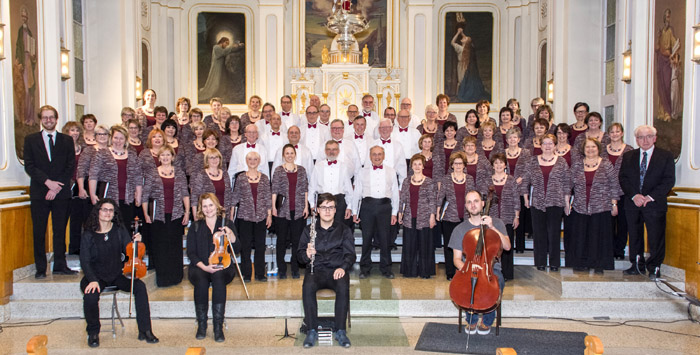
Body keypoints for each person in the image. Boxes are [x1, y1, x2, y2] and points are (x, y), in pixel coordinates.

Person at [80, 199, 158, 347]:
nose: (107, 213)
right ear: (98, 211)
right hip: (96, 276)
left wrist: (137, 243)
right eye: (104, 209)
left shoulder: (119, 229)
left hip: (117, 274)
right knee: (90, 296)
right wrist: (92, 280)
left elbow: (130, 252)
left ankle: (145, 330)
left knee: (140, 288)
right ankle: (93, 332)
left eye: (111, 210)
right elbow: (85, 261)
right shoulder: (88, 234)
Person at [24, 105, 77, 278]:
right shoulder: (31, 140)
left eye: (51, 117)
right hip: (40, 193)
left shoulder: (67, 140)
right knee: (39, 231)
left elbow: (70, 165)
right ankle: (40, 268)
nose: (48, 120)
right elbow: (30, 166)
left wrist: (57, 186)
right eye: (45, 117)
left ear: (56, 119)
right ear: (41, 119)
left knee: (60, 230)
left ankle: (60, 265)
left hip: (61, 194)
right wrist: (48, 183)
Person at [449, 190, 511, 335]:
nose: (473, 205)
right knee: (465, 281)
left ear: (483, 203)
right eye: (469, 202)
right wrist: (468, 269)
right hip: (469, 267)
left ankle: (488, 320)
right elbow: (456, 259)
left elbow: (507, 246)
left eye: (476, 201)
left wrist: (492, 228)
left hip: (491, 269)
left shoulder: (497, 223)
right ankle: (471, 318)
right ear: (466, 206)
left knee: (497, 280)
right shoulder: (460, 229)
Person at [298, 193, 355, 348]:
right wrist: (306, 255)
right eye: (324, 207)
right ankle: (311, 330)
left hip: (336, 270)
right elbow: (299, 256)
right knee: (308, 286)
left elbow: (350, 254)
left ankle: (341, 331)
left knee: (343, 286)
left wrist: (343, 268)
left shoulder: (344, 230)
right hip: (316, 270)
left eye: (331, 207)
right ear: (317, 210)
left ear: (336, 210)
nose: (327, 211)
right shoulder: (308, 230)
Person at [619, 125, 675, 278]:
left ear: (655, 138)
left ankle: (655, 266)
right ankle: (637, 264)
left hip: (655, 204)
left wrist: (650, 197)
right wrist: (634, 195)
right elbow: (623, 178)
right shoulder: (628, 156)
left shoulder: (666, 156)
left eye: (649, 136)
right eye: (641, 137)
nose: (645, 140)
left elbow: (669, 180)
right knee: (635, 235)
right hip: (633, 203)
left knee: (656, 236)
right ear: (636, 140)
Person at [186, 193, 240, 342]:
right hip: (200, 266)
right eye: (205, 206)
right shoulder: (196, 226)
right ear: (201, 209)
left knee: (218, 277)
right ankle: (202, 325)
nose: (208, 209)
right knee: (201, 281)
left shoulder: (227, 224)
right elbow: (191, 252)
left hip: (223, 266)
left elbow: (238, 248)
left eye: (211, 205)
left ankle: (218, 327)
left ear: (216, 206)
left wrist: (231, 235)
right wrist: (204, 266)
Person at [569, 138, 621, 274]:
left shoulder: (606, 165)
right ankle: (582, 263)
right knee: (581, 236)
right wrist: (566, 202)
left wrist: (614, 204)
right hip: (580, 206)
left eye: (593, 147)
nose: (590, 149)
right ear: (583, 149)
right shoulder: (577, 165)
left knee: (599, 236)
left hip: (601, 206)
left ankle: (599, 263)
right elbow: (568, 185)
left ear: (598, 148)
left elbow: (615, 185)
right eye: (587, 147)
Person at [142, 145, 190, 287]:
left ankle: (176, 277)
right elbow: (145, 195)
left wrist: (187, 212)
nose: (165, 158)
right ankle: (162, 278)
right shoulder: (152, 173)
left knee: (175, 246)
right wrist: (146, 214)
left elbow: (185, 194)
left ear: (172, 157)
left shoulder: (179, 173)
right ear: (159, 157)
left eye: (168, 155)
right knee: (160, 246)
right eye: (162, 155)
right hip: (158, 216)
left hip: (175, 214)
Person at [523, 134, 571, 272]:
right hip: (537, 202)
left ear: (555, 145)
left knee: (554, 233)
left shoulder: (561, 162)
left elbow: (567, 183)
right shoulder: (532, 161)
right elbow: (526, 180)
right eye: (545, 143)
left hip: (556, 202)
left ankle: (555, 263)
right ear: (540, 145)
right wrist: (526, 198)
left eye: (550, 143)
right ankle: (540, 262)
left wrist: (567, 202)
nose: (548, 146)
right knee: (539, 233)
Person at [353, 146, 399, 279]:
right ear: (370, 156)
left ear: (383, 156)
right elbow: (357, 193)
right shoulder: (362, 172)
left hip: (385, 207)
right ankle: (365, 268)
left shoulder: (391, 171)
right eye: (374, 154)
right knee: (366, 239)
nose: (377, 157)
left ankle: (386, 268)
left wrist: (394, 212)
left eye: (379, 154)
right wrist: (355, 212)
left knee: (385, 239)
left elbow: (395, 193)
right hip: (367, 207)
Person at [231, 151, 272, 282]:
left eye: (255, 159)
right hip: (244, 216)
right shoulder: (241, 178)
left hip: (261, 216)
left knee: (260, 245)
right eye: (250, 159)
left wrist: (269, 215)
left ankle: (260, 274)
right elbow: (235, 197)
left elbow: (267, 198)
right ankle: (246, 274)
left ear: (259, 161)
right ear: (246, 161)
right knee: (245, 246)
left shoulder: (265, 178)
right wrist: (231, 214)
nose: (253, 161)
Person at [88, 125, 141, 223]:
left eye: (121, 138)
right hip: (107, 197)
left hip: (127, 198)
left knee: (125, 228)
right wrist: (92, 194)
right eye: (116, 138)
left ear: (126, 139)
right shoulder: (101, 154)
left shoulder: (132, 155)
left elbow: (138, 176)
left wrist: (138, 194)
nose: (118, 141)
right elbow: (93, 175)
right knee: (108, 227)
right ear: (111, 138)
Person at [271, 144, 310, 279]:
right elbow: (274, 190)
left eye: (291, 153)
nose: (289, 155)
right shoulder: (278, 170)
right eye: (287, 153)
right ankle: (282, 269)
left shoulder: (302, 170)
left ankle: (295, 269)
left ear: (295, 154)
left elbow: (305, 189)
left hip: (298, 210)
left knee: (297, 241)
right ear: (283, 155)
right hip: (282, 211)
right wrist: (273, 207)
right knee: (281, 240)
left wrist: (306, 206)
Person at [437, 152, 475, 281]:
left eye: (460, 163)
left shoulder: (469, 178)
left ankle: (465, 271)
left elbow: (473, 198)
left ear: (464, 165)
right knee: (450, 245)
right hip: (449, 217)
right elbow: (441, 196)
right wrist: (437, 211)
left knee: (466, 246)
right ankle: (450, 272)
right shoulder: (446, 179)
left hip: (465, 217)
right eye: (455, 163)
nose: (458, 165)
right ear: (452, 165)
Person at [398, 154, 437, 278]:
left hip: (424, 218)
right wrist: (400, 213)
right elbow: (402, 199)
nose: (417, 166)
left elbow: (432, 200)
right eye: (415, 164)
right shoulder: (406, 181)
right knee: (409, 244)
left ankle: (425, 271)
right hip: (409, 217)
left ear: (423, 166)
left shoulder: (429, 182)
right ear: (411, 166)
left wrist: (432, 216)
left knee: (425, 245)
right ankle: (410, 271)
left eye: (419, 164)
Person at [488, 153, 520, 281]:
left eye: (501, 163)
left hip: (507, 217)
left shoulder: (511, 180)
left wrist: (516, 216)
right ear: (493, 166)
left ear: (505, 165)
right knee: (493, 247)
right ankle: (493, 272)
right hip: (492, 219)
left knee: (507, 246)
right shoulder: (487, 180)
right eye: (496, 163)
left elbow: (516, 199)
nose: (498, 165)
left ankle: (507, 274)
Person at [604, 123, 633, 260]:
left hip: (624, 192)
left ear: (622, 133)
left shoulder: (629, 151)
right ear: (608, 134)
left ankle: (619, 250)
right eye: (612, 132)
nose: (615, 134)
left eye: (617, 131)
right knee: (607, 223)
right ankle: (609, 248)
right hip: (605, 192)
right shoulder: (602, 150)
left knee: (623, 223)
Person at [309, 140, 354, 225]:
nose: (331, 152)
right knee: (322, 229)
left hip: (339, 202)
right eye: (329, 149)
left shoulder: (343, 166)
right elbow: (312, 187)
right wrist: (312, 205)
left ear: (338, 151)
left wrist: (349, 207)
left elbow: (348, 189)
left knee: (338, 229)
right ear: (325, 151)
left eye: (334, 149)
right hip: (322, 201)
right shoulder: (318, 166)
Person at [504, 127, 531, 254]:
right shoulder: (502, 153)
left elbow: (529, 169)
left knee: (519, 218)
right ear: (506, 139)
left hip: (521, 189)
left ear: (519, 139)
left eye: (515, 137)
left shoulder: (525, 153)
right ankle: (507, 245)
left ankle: (520, 246)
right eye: (510, 137)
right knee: (508, 219)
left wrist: (521, 178)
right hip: (507, 190)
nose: (512, 139)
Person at [190, 149, 233, 221]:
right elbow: (194, 197)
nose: (214, 160)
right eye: (211, 158)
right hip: (207, 214)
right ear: (207, 160)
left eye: (216, 157)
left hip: (223, 214)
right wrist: (195, 216)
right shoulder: (202, 175)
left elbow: (229, 195)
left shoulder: (225, 174)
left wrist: (230, 213)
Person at [63, 121, 86, 254]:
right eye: (72, 130)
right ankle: (70, 248)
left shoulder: (83, 148)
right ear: (67, 132)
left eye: (77, 130)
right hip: (67, 185)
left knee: (79, 217)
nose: (75, 133)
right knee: (69, 218)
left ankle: (78, 246)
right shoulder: (62, 148)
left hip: (81, 185)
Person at [451, 28, 490, 103]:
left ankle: (459, 95)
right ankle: (459, 95)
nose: (463, 37)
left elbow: (452, 42)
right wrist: (461, 33)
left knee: (461, 81)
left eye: (464, 38)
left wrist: (458, 33)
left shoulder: (460, 49)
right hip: (465, 67)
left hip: (462, 67)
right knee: (462, 80)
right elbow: (469, 40)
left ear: (466, 42)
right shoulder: (470, 48)